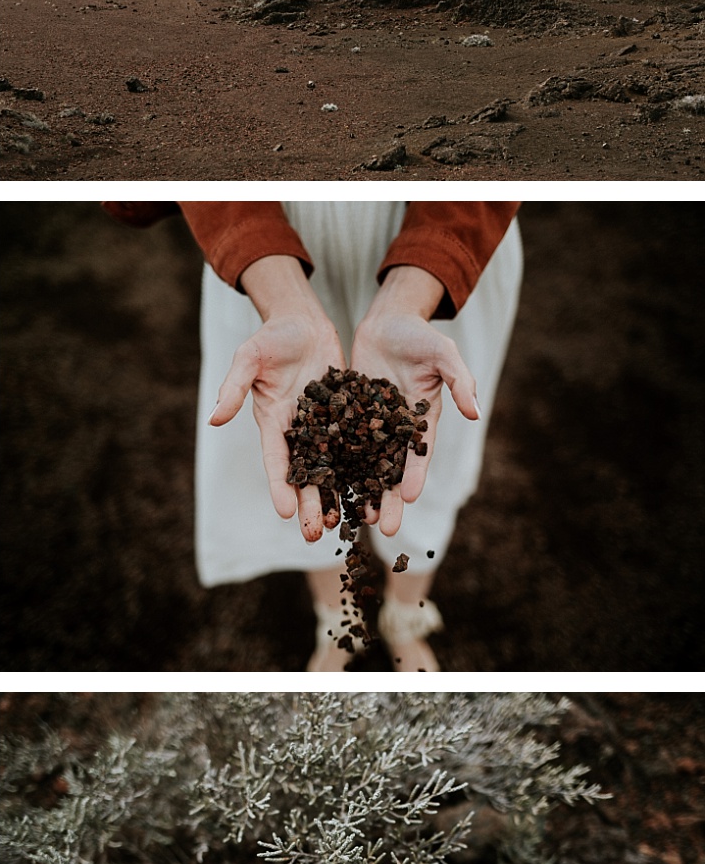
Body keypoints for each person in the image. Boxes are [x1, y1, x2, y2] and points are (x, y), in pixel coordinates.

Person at [108, 201, 522, 671]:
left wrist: (411, 295)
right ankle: (338, 619)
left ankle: (405, 616)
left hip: (440, 250)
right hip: (270, 256)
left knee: (424, 464)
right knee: (296, 475)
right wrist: (281, 297)